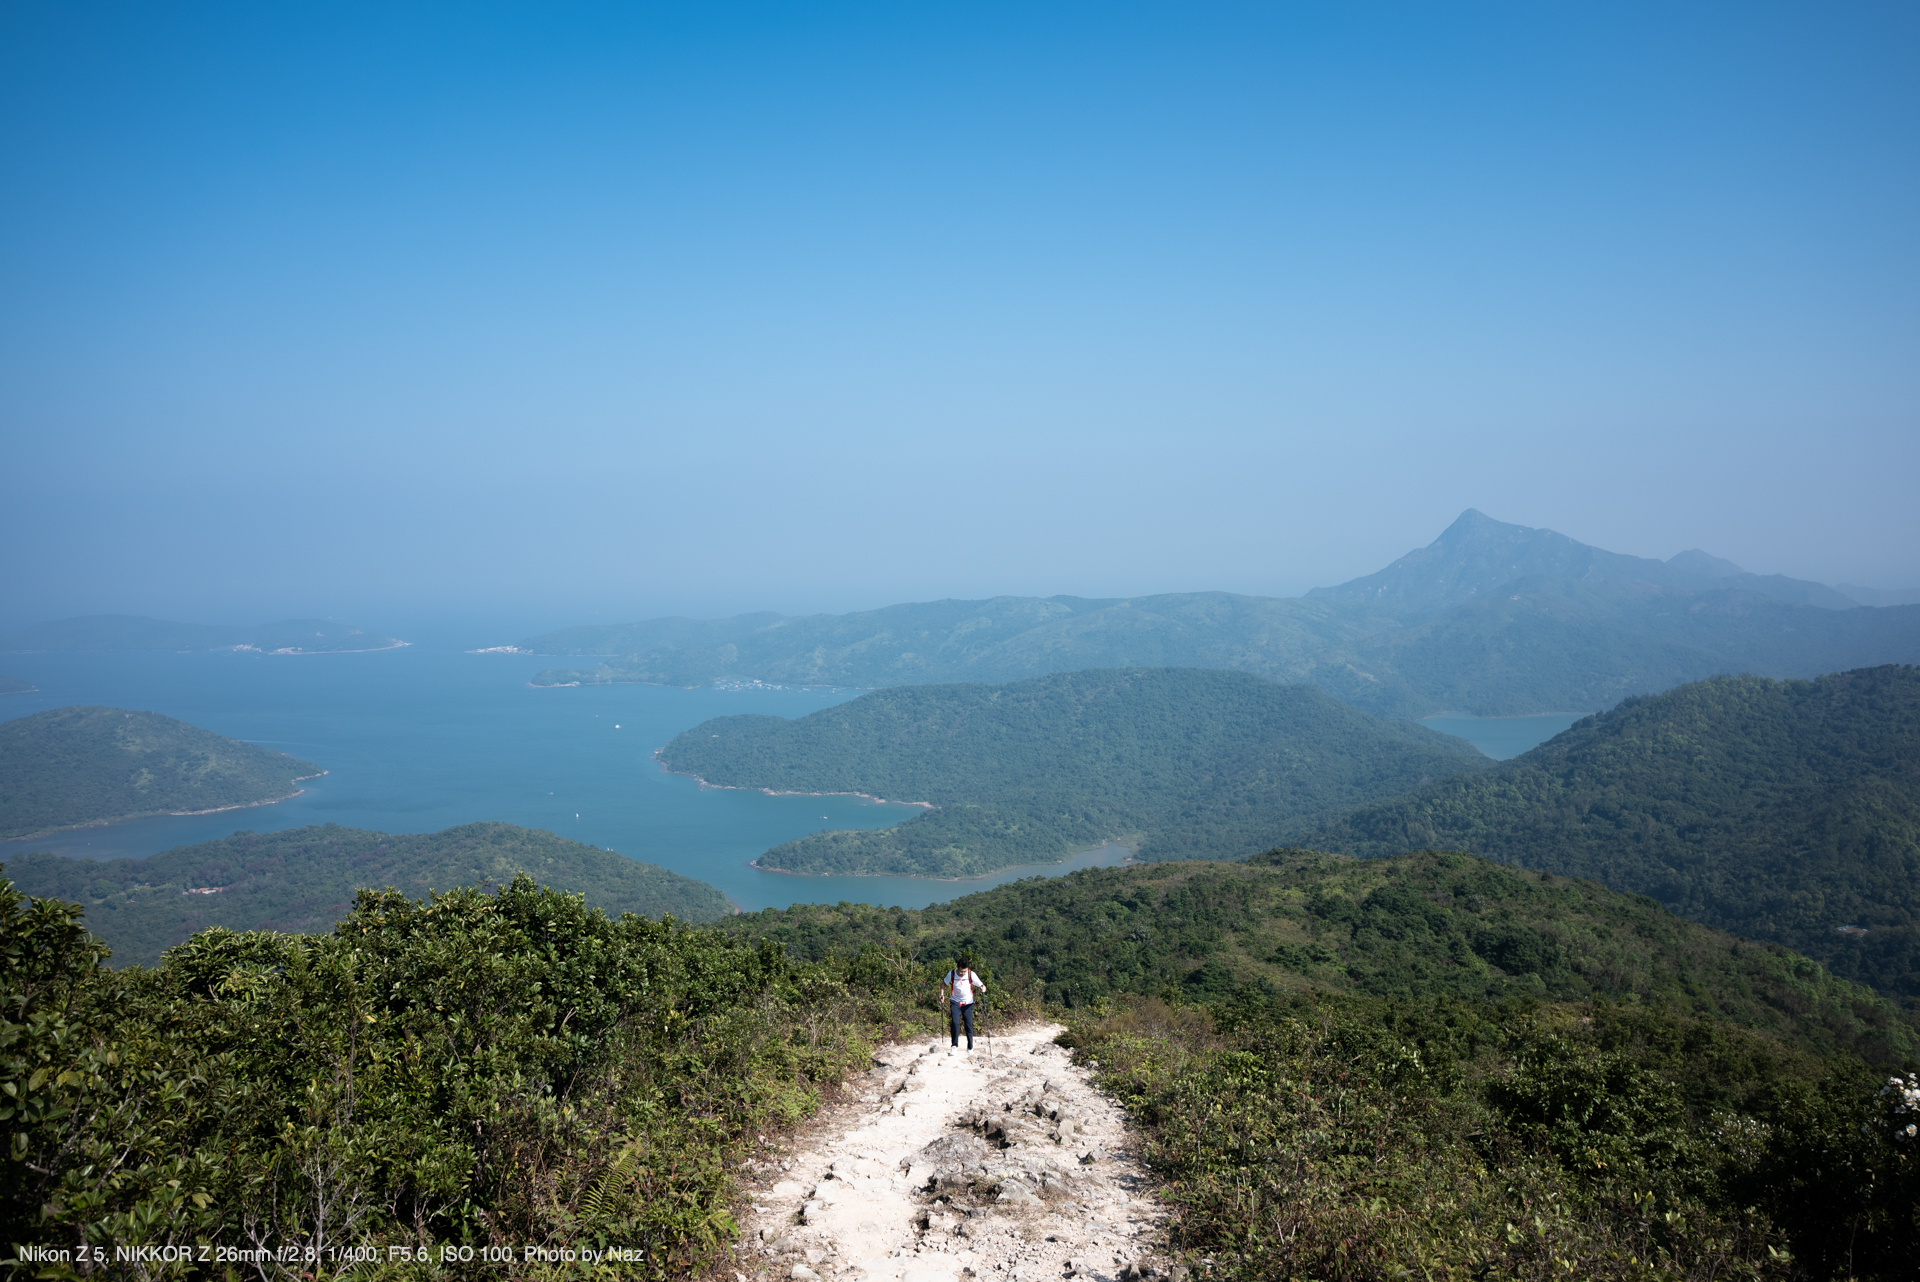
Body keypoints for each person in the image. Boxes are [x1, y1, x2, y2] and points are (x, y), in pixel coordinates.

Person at [942, 955, 986, 1053]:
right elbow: (944, 983)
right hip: (955, 1001)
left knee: (969, 1025)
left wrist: (983, 987)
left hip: (968, 1003)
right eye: (961, 971)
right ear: (957, 968)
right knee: (955, 1022)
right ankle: (954, 1046)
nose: (963, 973)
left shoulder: (971, 974)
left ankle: (970, 1048)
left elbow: (981, 985)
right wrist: (942, 995)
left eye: (964, 971)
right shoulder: (952, 974)